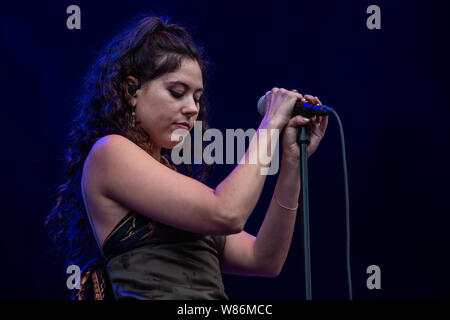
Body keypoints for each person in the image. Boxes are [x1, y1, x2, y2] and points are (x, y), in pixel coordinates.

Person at [46, 15, 328, 300]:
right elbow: (227, 212)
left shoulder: (172, 180)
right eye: (177, 93)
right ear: (132, 91)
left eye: (197, 97)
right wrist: (270, 124)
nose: (193, 108)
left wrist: (292, 162)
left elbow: (265, 259)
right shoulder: (109, 153)